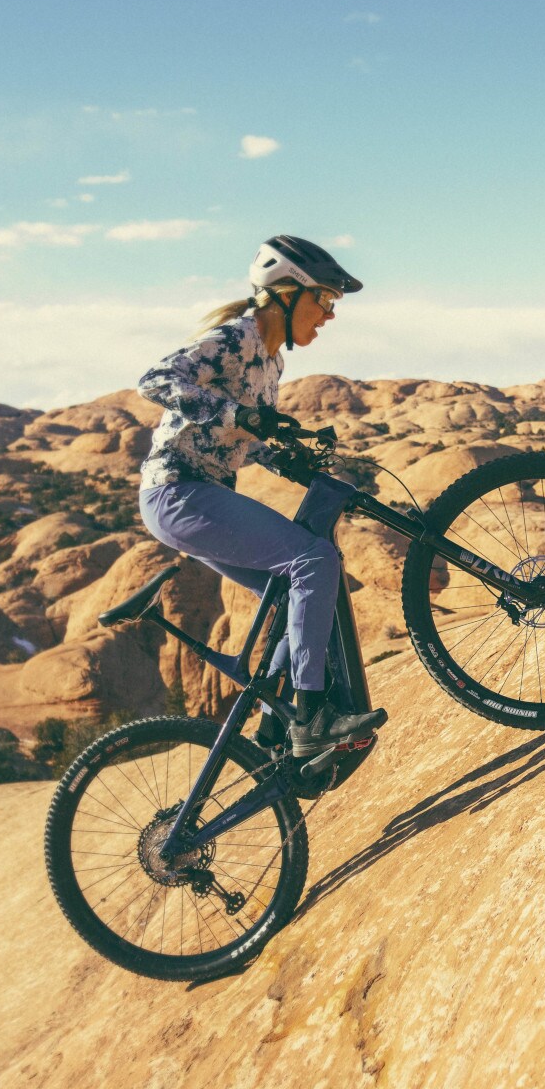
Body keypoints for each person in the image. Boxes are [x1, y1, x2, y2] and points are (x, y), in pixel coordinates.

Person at [135, 235, 388, 754]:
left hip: (197, 494)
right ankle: (312, 715)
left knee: (291, 595)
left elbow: (238, 439)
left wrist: (282, 454)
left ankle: (276, 728)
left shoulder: (272, 361)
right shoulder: (236, 339)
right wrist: (240, 415)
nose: (329, 315)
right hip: (178, 494)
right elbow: (156, 379)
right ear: (287, 292)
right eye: (325, 299)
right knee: (314, 561)